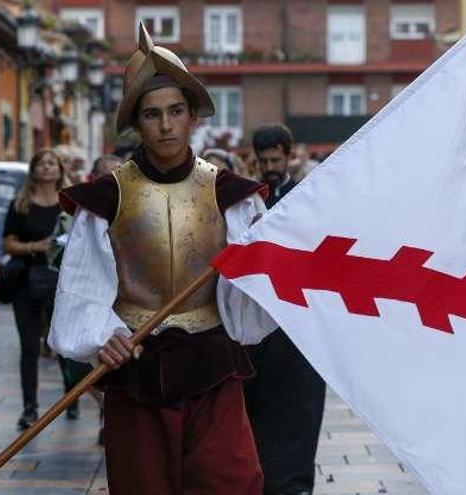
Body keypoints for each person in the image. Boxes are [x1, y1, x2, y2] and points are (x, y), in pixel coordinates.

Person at [49, 24, 273, 493]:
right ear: (136, 122)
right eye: (152, 114)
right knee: (142, 486)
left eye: (175, 111)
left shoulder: (232, 196)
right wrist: (102, 337)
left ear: (193, 117)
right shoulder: (106, 199)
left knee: (231, 481)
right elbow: (82, 287)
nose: (166, 125)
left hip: (212, 360)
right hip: (136, 365)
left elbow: (257, 285)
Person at [244, 123, 326, 495]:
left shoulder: (307, 198)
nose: (270, 167)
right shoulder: (247, 199)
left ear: (289, 154)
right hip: (257, 332)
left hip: (297, 330)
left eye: (276, 159)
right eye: (263, 161)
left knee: (297, 418)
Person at [3, 147, 85, 429]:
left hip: (61, 282)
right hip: (26, 281)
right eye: (42, 163)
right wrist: (32, 247)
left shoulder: (71, 203)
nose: (47, 167)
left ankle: (71, 397)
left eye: (52, 163)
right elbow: (7, 243)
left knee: (63, 344)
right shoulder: (21, 203)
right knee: (28, 347)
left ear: (60, 169)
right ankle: (29, 408)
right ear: (34, 170)